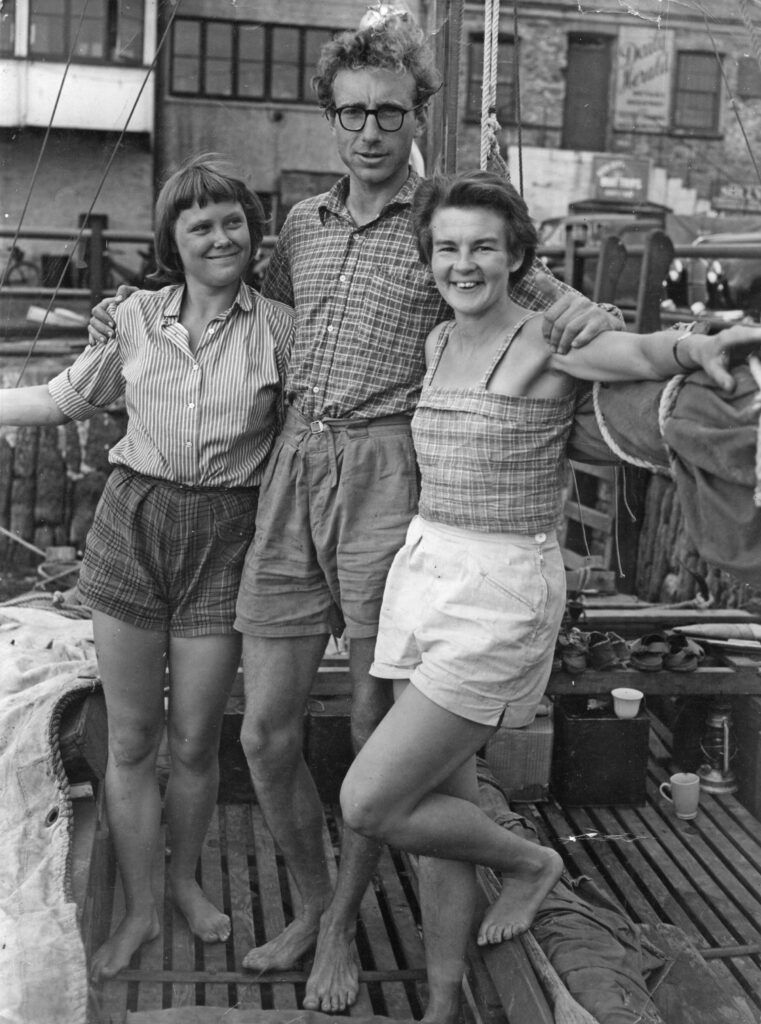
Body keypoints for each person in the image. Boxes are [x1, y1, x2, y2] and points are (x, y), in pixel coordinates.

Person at [86, 11, 623, 1012]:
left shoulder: (447, 219)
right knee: (265, 734)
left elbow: (540, 297)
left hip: (389, 476)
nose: (369, 129)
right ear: (329, 119)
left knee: (379, 729)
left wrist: (609, 332)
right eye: (351, 112)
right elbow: (220, 303)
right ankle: (305, 898)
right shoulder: (295, 226)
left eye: (388, 111)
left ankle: (344, 924)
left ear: (417, 112)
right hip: (291, 472)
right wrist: (122, 321)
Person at [337, 168, 761, 1024]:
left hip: (499, 592)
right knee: (443, 804)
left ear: (515, 257)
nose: (463, 264)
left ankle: (534, 866)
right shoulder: (434, 345)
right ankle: (443, 1000)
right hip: (425, 573)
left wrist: (694, 348)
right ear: (428, 260)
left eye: (482, 248)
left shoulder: (543, 339)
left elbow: (638, 353)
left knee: (371, 801)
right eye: (447, 248)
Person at [0, 155, 293, 983]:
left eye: (232, 220)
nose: (220, 235)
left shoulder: (280, 328)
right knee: (130, 739)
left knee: (197, 740)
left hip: (226, 537)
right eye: (200, 223)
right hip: (133, 524)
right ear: (173, 238)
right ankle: (137, 906)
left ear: (251, 231)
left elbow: (316, 433)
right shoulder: (131, 319)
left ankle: (184, 881)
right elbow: (63, 398)